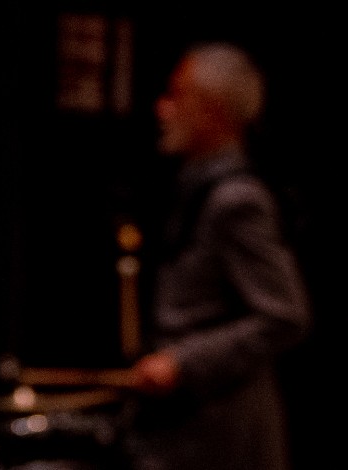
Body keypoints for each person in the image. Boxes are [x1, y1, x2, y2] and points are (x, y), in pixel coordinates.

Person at [124, 42, 310, 470]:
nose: (162, 108)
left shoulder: (238, 200)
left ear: (211, 110)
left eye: (176, 95)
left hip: (222, 436)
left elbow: (285, 316)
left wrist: (182, 362)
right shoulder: (199, 188)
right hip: (187, 429)